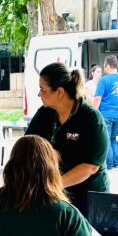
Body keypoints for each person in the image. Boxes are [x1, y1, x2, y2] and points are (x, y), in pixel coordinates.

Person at [24, 62, 108, 216]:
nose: (39, 94)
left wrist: (53, 185)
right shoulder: (45, 113)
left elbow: (91, 166)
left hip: (88, 196)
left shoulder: (90, 118)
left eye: (42, 89)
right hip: (54, 192)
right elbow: (28, 146)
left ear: (59, 92)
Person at [91, 55, 118, 171]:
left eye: (104, 66)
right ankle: (116, 164)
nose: (104, 68)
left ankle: (109, 165)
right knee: (113, 139)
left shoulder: (104, 80)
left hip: (106, 114)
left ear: (107, 65)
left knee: (106, 140)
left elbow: (97, 99)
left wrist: (92, 113)